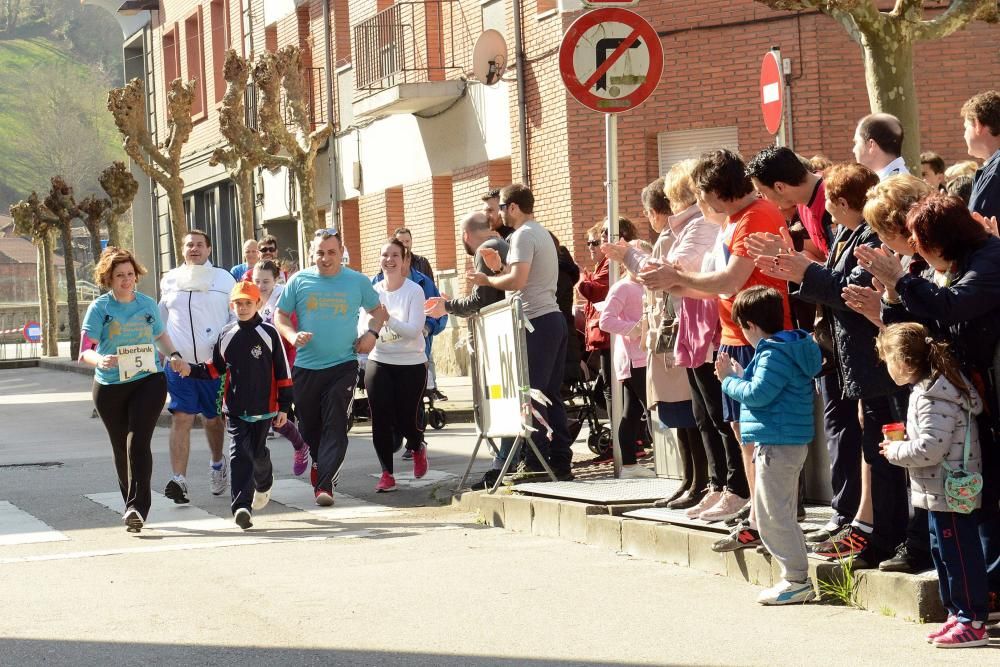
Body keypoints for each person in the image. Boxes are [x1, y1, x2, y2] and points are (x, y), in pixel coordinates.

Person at [754, 164, 910, 568]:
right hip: (859, 359)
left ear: (843, 203)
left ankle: (895, 536)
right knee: (878, 451)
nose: (827, 214)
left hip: (876, 358)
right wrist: (798, 268)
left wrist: (804, 270)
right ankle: (883, 535)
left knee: (889, 453)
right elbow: (834, 282)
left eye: (832, 206)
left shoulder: (870, 235)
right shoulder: (845, 231)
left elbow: (850, 290)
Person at [861, 194, 1000, 608]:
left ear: (944, 240)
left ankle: (981, 595)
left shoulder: (990, 258)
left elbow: (952, 308)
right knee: (984, 497)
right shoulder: (960, 262)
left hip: (984, 393)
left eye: (920, 240)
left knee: (984, 500)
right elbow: (931, 325)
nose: (915, 249)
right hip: (979, 394)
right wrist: (891, 296)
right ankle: (986, 590)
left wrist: (901, 280)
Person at [640, 149, 793, 525]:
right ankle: (757, 512)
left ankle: (767, 514)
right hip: (736, 335)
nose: (701, 202)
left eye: (703, 194)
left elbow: (730, 280)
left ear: (716, 190)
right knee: (743, 433)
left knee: (758, 436)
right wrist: (675, 282)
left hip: (757, 338)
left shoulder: (755, 216)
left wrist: (675, 279)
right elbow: (715, 289)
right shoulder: (735, 218)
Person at [606, 169, 716, 509]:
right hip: (672, 334)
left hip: (684, 330)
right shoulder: (678, 231)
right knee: (683, 414)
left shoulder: (688, 230)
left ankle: (704, 482)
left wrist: (628, 255)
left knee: (696, 414)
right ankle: (692, 480)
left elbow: (664, 272)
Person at [876, 323, 988, 648]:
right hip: (939, 491)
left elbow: (930, 449)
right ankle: (958, 614)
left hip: (949, 490)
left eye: (888, 360)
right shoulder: (928, 389)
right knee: (944, 554)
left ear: (905, 362)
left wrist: (895, 450)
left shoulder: (933, 395)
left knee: (959, 558)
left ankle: (972, 621)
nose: (887, 367)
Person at [715, 286, 821, 604]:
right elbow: (768, 387)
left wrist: (727, 380)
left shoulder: (772, 352)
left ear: (750, 325)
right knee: (776, 510)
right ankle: (793, 575)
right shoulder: (789, 347)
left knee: (774, 514)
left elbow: (760, 395)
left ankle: (796, 579)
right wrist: (741, 374)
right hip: (786, 439)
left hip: (776, 442)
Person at [468, 183, 574, 480]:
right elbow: (520, 279)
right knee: (550, 393)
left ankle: (537, 461)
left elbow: (518, 282)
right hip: (550, 318)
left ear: (513, 207)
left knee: (534, 393)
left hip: (537, 321)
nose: (499, 212)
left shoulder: (522, 235)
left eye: (501, 206)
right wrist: (499, 268)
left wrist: (488, 279)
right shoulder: (539, 232)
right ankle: (560, 461)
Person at [275, 230, 389, 505]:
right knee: (310, 429)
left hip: (343, 365)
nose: (325, 258)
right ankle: (319, 463)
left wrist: (371, 335)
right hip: (305, 367)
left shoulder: (357, 281)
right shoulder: (300, 280)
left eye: (331, 252)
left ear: (341, 252)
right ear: (312, 253)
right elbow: (280, 315)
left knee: (336, 423)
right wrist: (291, 335)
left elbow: (379, 312)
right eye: (320, 253)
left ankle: (324, 485)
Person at [172, 281, 292, 530]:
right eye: (238, 303)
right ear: (232, 306)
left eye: (248, 302)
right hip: (235, 408)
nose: (243, 307)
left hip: (265, 407)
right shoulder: (226, 334)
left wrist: (284, 407)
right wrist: (189, 369)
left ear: (258, 303)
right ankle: (241, 507)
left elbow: (283, 372)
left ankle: (264, 480)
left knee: (257, 454)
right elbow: (213, 368)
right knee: (239, 454)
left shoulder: (269, 334)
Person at [80, 248, 180, 533]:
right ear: (109, 279)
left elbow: (160, 335)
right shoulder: (101, 308)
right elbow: (85, 350)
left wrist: (174, 356)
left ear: (137, 275)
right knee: (121, 447)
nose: (126, 280)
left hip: (148, 380)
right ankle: (130, 506)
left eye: (130, 275)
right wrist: (101, 359)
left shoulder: (148, 304)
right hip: (110, 386)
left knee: (138, 442)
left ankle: (138, 507)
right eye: (120, 276)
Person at [426, 211, 509, 490]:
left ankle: (504, 462)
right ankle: (509, 459)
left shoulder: (485, 251)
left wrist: (447, 307)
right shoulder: (501, 245)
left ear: (465, 236)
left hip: (502, 339)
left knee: (502, 400)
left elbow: (481, 301)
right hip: (510, 334)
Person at [158, 230, 236, 504]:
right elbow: (161, 319)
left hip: (213, 366)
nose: (194, 249)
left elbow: (235, 317)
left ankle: (217, 463)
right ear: (182, 250)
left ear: (209, 249)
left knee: (213, 419)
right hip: (179, 364)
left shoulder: (224, 279)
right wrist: (165, 354)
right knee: (182, 416)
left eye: (200, 244)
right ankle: (179, 479)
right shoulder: (170, 280)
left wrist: (227, 353)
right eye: (189, 244)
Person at [367, 239, 429, 492]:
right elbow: (364, 325)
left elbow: (414, 330)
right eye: (385, 255)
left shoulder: (414, 291)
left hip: (411, 363)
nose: (389, 260)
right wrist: (366, 336)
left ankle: (417, 445)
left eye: (395, 255)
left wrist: (387, 319)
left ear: (405, 261)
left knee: (406, 419)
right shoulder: (373, 291)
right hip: (379, 359)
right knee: (380, 418)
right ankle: (386, 473)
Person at [599, 239, 656, 479]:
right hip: (635, 359)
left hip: (645, 355)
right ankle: (642, 462)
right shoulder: (622, 287)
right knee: (652, 408)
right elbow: (606, 320)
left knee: (633, 411)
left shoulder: (647, 286)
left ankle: (631, 466)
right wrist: (636, 329)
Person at [253, 260, 310, 476]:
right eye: (257, 280)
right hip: (258, 368)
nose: (261, 285)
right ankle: (257, 466)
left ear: (276, 279)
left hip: (284, 364)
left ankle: (300, 445)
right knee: (267, 418)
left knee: (278, 417)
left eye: (266, 281)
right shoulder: (250, 299)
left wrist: (289, 368)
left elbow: (290, 333)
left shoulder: (283, 299)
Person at [746, 145, 833, 258]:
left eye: (762, 192)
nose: (762, 198)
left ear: (779, 187)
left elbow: (844, 271)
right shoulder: (802, 202)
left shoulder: (832, 199)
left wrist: (786, 256)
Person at [962, 91, 1000, 221]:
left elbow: (980, 226)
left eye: (966, 127)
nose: (964, 135)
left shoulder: (995, 171)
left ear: (977, 125)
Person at [853, 113, 908, 180]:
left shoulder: (892, 187)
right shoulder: (897, 180)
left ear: (871, 145)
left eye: (857, 142)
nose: (854, 150)